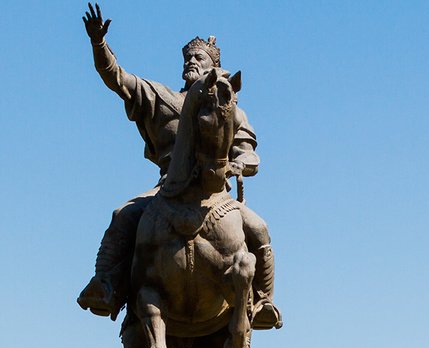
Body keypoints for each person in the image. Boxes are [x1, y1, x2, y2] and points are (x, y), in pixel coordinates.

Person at [75, 4, 278, 329]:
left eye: (199, 58)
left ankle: (265, 301)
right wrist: (99, 45)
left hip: (218, 193)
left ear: (215, 68)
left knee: (259, 228)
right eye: (188, 58)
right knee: (123, 214)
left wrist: (238, 164)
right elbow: (116, 78)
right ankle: (106, 286)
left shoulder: (225, 106)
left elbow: (250, 153)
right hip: (166, 186)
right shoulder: (160, 97)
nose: (191, 62)